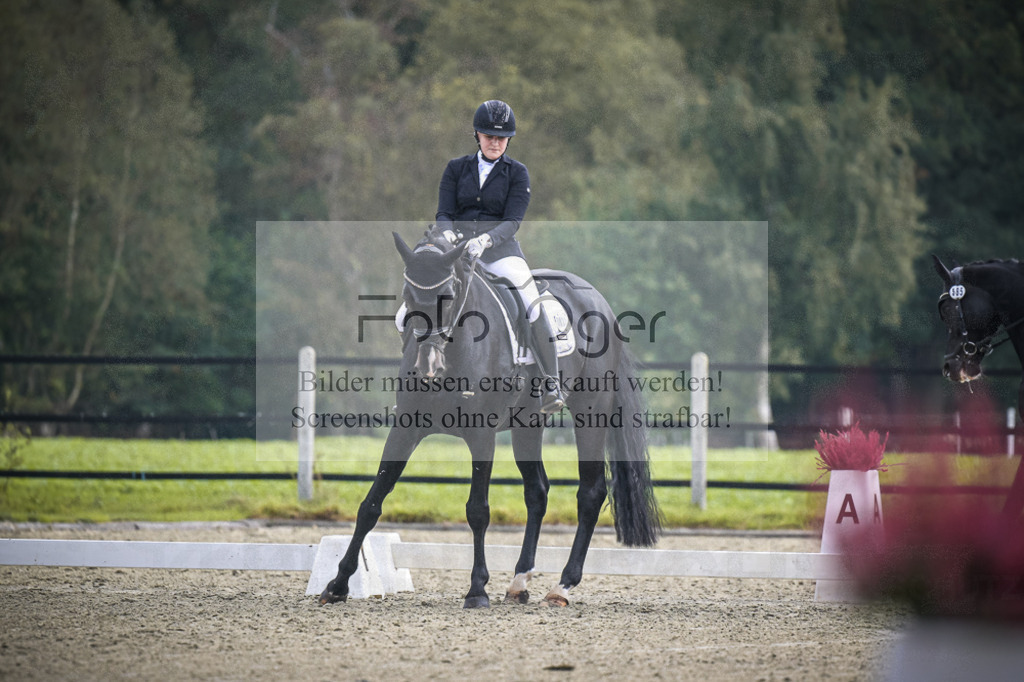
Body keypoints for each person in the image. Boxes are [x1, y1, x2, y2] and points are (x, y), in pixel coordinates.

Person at [434, 99, 566, 414]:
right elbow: (443, 212)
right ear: (477, 135)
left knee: (529, 298)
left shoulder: (517, 173)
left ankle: (551, 381)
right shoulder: (456, 168)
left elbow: (513, 221)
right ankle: (414, 382)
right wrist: (449, 234)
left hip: (500, 252)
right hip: (458, 252)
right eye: (489, 136)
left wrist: (487, 240)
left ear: (508, 140)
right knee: (417, 302)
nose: (495, 142)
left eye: (501, 138)